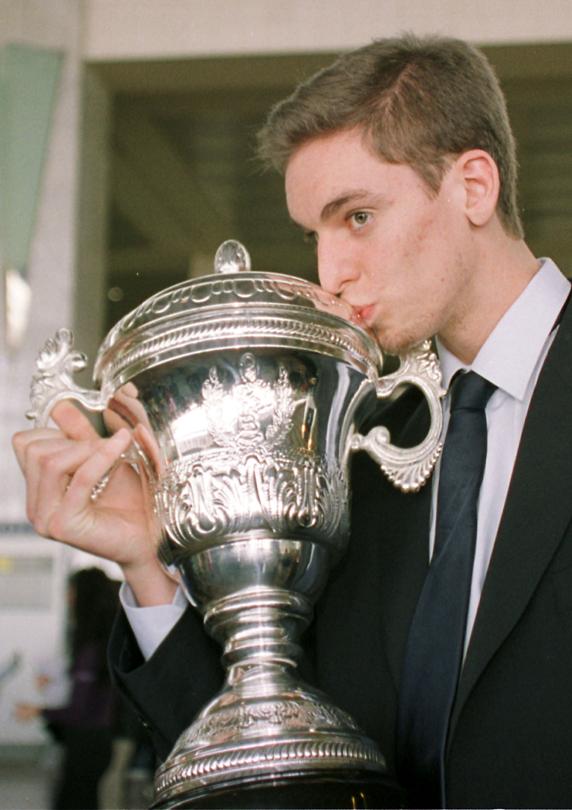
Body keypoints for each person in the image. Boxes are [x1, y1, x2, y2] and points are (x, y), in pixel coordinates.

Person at [12, 33, 572, 808]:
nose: (330, 272)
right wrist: (146, 564)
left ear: (473, 186)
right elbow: (268, 755)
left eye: (360, 217)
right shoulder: (353, 438)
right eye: (316, 234)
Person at [16, 568, 120, 809]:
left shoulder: (91, 649)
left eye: (71, 592)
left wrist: (38, 711)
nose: (67, 598)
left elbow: (80, 711)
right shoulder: (103, 645)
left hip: (86, 743)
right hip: (96, 741)